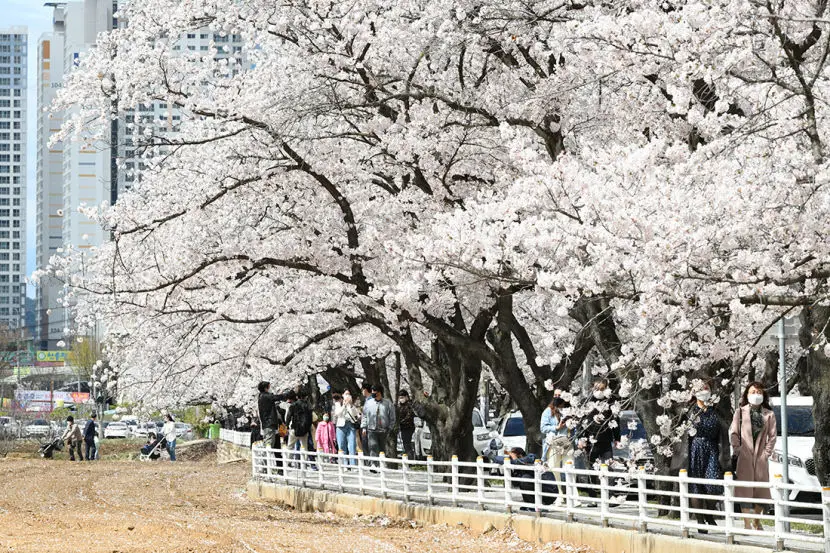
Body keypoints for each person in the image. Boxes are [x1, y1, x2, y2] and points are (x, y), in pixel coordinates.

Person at [730, 381, 776, 531]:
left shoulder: (769, 414)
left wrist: (766, 453)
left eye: (759, 392)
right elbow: (734, 433)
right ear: (747, 394)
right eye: (753, 392)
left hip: (761, 456)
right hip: (745, 455)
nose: (756, 395)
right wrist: (738, 449)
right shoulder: (740, 412)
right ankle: (747, 523)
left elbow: (773, 436)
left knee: (761, 490)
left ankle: (757, 520)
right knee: (745, 489)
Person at [577, 379, 620, 501]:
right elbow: (580, 421)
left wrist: (617, 438)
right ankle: (592, 497)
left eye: (602, 389)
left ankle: (610, 495)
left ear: (606, 388)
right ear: (592, 388)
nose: (599, 392)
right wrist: (581, 439)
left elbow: (615, 421)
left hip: (606, 440)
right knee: (591, 468)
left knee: (608, 467)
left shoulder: (611, 402)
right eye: (597, 389)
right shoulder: (586, 402)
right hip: (589, 441)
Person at [687, 381, 722, 533]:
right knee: (696, 485)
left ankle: (709, 514)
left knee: (714, 483)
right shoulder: (690, 410)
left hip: (712, 448)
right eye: (700, 389)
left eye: (707, 388)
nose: (704, 391)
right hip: (696, 448)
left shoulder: (715, 409)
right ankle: (700, 520)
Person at [540, 397, 572, 505]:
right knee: (554, 468)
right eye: (561, 405)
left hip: (567, 442)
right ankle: (560, 494)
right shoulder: (548, 412)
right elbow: (543, 428)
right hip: (553, 442)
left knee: (570, 466)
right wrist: (556, 427)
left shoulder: (569, 410)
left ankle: (572, 496)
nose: (562, 407)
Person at [361, 384, 395, 459]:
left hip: (384, 430)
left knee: (382, 450)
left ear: (379, 392)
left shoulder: (388, 403)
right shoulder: (368, 403)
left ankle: (381, 467)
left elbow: (392, 417)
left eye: (375, 392)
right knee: (373, 447)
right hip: (371, 429)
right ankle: (374, 466)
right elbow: (364, 415)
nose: (373, 393)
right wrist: (364, 427)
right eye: (372, 392)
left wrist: (390, 428)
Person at [333, 390, 360, 465]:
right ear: (342, 395)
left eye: (349, 394)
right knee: (341, 445)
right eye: (346, 394)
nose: (348, 395)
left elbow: (356, 414)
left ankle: (353, 464)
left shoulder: (351, 405)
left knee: (352, 444)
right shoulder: (338, 403)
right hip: (341, 426)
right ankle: (344, 464)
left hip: (350, 425)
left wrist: (351, 405)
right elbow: (338, 413)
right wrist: (344, 405)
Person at [285, 391, 312, 458]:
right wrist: (308, 428)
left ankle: (288, 462)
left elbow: (288, 417)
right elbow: (310, 419)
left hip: (294, 428)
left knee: (290, 446)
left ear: (297, 397)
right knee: (304, 447)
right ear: (306, 397)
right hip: (304, 430)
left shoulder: (293, 405)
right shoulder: (307, 406)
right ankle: (304, 463)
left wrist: (287, 426)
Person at [396, 390, 416, 459]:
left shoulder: (409, 405)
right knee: (405, 444)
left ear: (406, 397)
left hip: (408, 427)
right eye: (400, 398)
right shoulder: (400, 406)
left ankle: (410, 459)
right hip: (403, 428)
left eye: (402, 397)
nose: (401, 399)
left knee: (407, 444)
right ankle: (408, 458)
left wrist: (401, 422)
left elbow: (409, 416)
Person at [359, 382, 374, 454]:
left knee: (368, 446)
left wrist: (364, 427)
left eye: (362, 390)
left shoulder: (371, 400)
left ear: (365, 390)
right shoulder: (368, 400)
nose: (362, 391)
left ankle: (371, 463)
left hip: (369, 426)